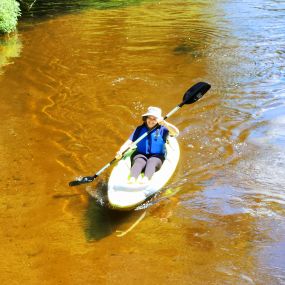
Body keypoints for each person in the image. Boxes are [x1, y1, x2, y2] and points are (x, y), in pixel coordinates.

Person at [116, 106, 179, 184]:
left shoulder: (163, 129)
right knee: (139, 160)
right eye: (149, 118)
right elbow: (129, 142)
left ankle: (146, 179)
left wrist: (165, 123)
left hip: (157, 156)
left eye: (154, 119)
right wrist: (120, 151)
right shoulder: (139, 129)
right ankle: (132, 178)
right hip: (141, 154)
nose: (151, 121)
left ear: (158, 120)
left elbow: (176, 133)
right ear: (146, 118)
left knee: (152, 161)